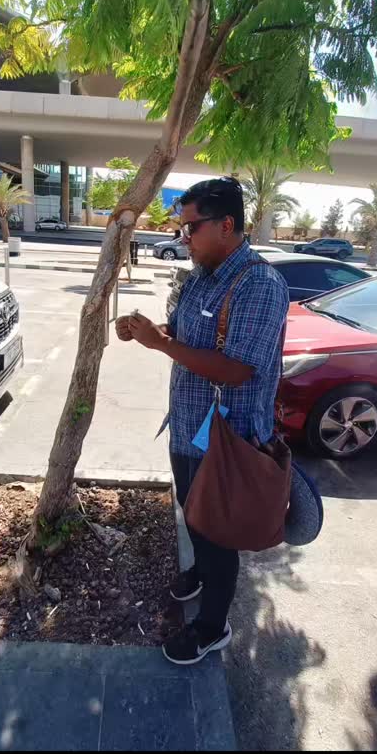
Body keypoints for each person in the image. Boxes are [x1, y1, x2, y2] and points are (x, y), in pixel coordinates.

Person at [115, 177, 289, 665]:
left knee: (217, 535)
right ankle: (200, 574)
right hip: (188, 424)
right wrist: (149, 331)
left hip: (228, 436)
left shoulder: (259, 284)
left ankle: (213, 627)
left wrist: (162, 344)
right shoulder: (199, 277)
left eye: (191, 228)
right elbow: (187, 334)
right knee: (193, 514)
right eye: (183, 228)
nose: (183, 237)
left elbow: (237, 370)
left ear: (226, 225)